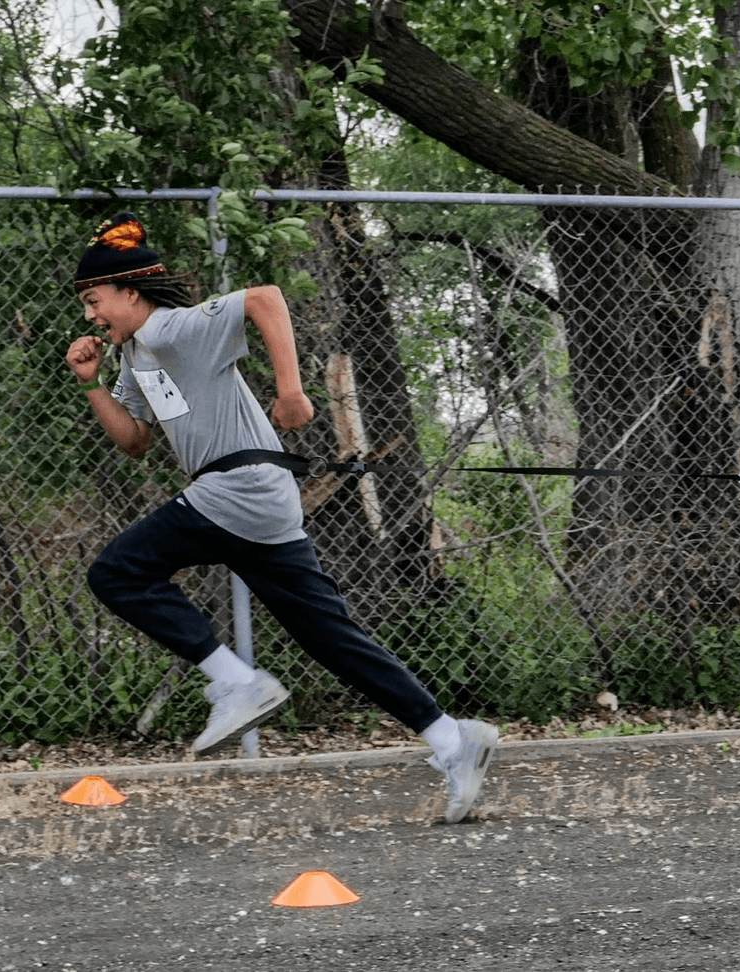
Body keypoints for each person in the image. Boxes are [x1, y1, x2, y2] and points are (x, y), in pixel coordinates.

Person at [64, 212, 497, 823]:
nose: (90, 315)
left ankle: (238, 683)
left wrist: (291, 391)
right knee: (331, 638)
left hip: (237, 488)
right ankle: (455, 742)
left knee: (117, 572)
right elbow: (135, 440)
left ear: (130, 291)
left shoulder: (178, 328)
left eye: (94, 299)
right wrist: (91, 384)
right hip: (250, 500)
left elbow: (264, 299)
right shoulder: (138, 352)